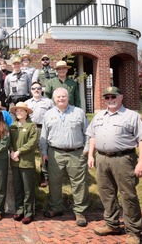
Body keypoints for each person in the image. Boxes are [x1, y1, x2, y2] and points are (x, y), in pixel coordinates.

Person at [87, 86, 142, 244]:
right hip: (102, 158)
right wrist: (90, 155)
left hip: (123, 159)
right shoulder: (99, 116)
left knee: (128, 195)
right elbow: (92, 136)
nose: (110, 100)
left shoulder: (131, 116)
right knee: (106, 193)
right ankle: (112, 224)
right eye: (107, 97)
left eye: (113, 96)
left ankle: (134, 231)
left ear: (121, 96)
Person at [40, 87, 89, 227]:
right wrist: (44, 152)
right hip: (55, 153)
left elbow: (88, 132)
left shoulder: (78, 112)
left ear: (68, 98)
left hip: (76, 153)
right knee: (54, 182)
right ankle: (56, 208)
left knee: (79, 183)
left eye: (63, 96)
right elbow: (43, 136)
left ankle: (80, 212)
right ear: (54, 99)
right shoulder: (48, 114)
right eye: (58, 97)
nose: (61, 99)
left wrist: (86, 150)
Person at [8, 102, 38, 224]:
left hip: (26, 162)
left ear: (27, 113)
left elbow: (32, 143)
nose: (19, 113)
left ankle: (29, 213)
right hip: (15, 162)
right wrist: (11, 152)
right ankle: (19, 210)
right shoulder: (13, 126)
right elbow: (9, 141)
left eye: (22, 111)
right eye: (17, 111)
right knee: (18, 188)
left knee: (28, 189)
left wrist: (19, 151)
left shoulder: (31, 126)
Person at [25, 81, 54, 187]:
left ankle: (44, 176)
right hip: (31, 129)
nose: (36, 90)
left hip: (44, 129)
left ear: (42, 89)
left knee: (44, 153)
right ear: (30, 90)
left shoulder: (49, 102)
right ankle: (30, 176)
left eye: (38, 88)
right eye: (33, 88)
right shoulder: (27, 103)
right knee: (29, 153)